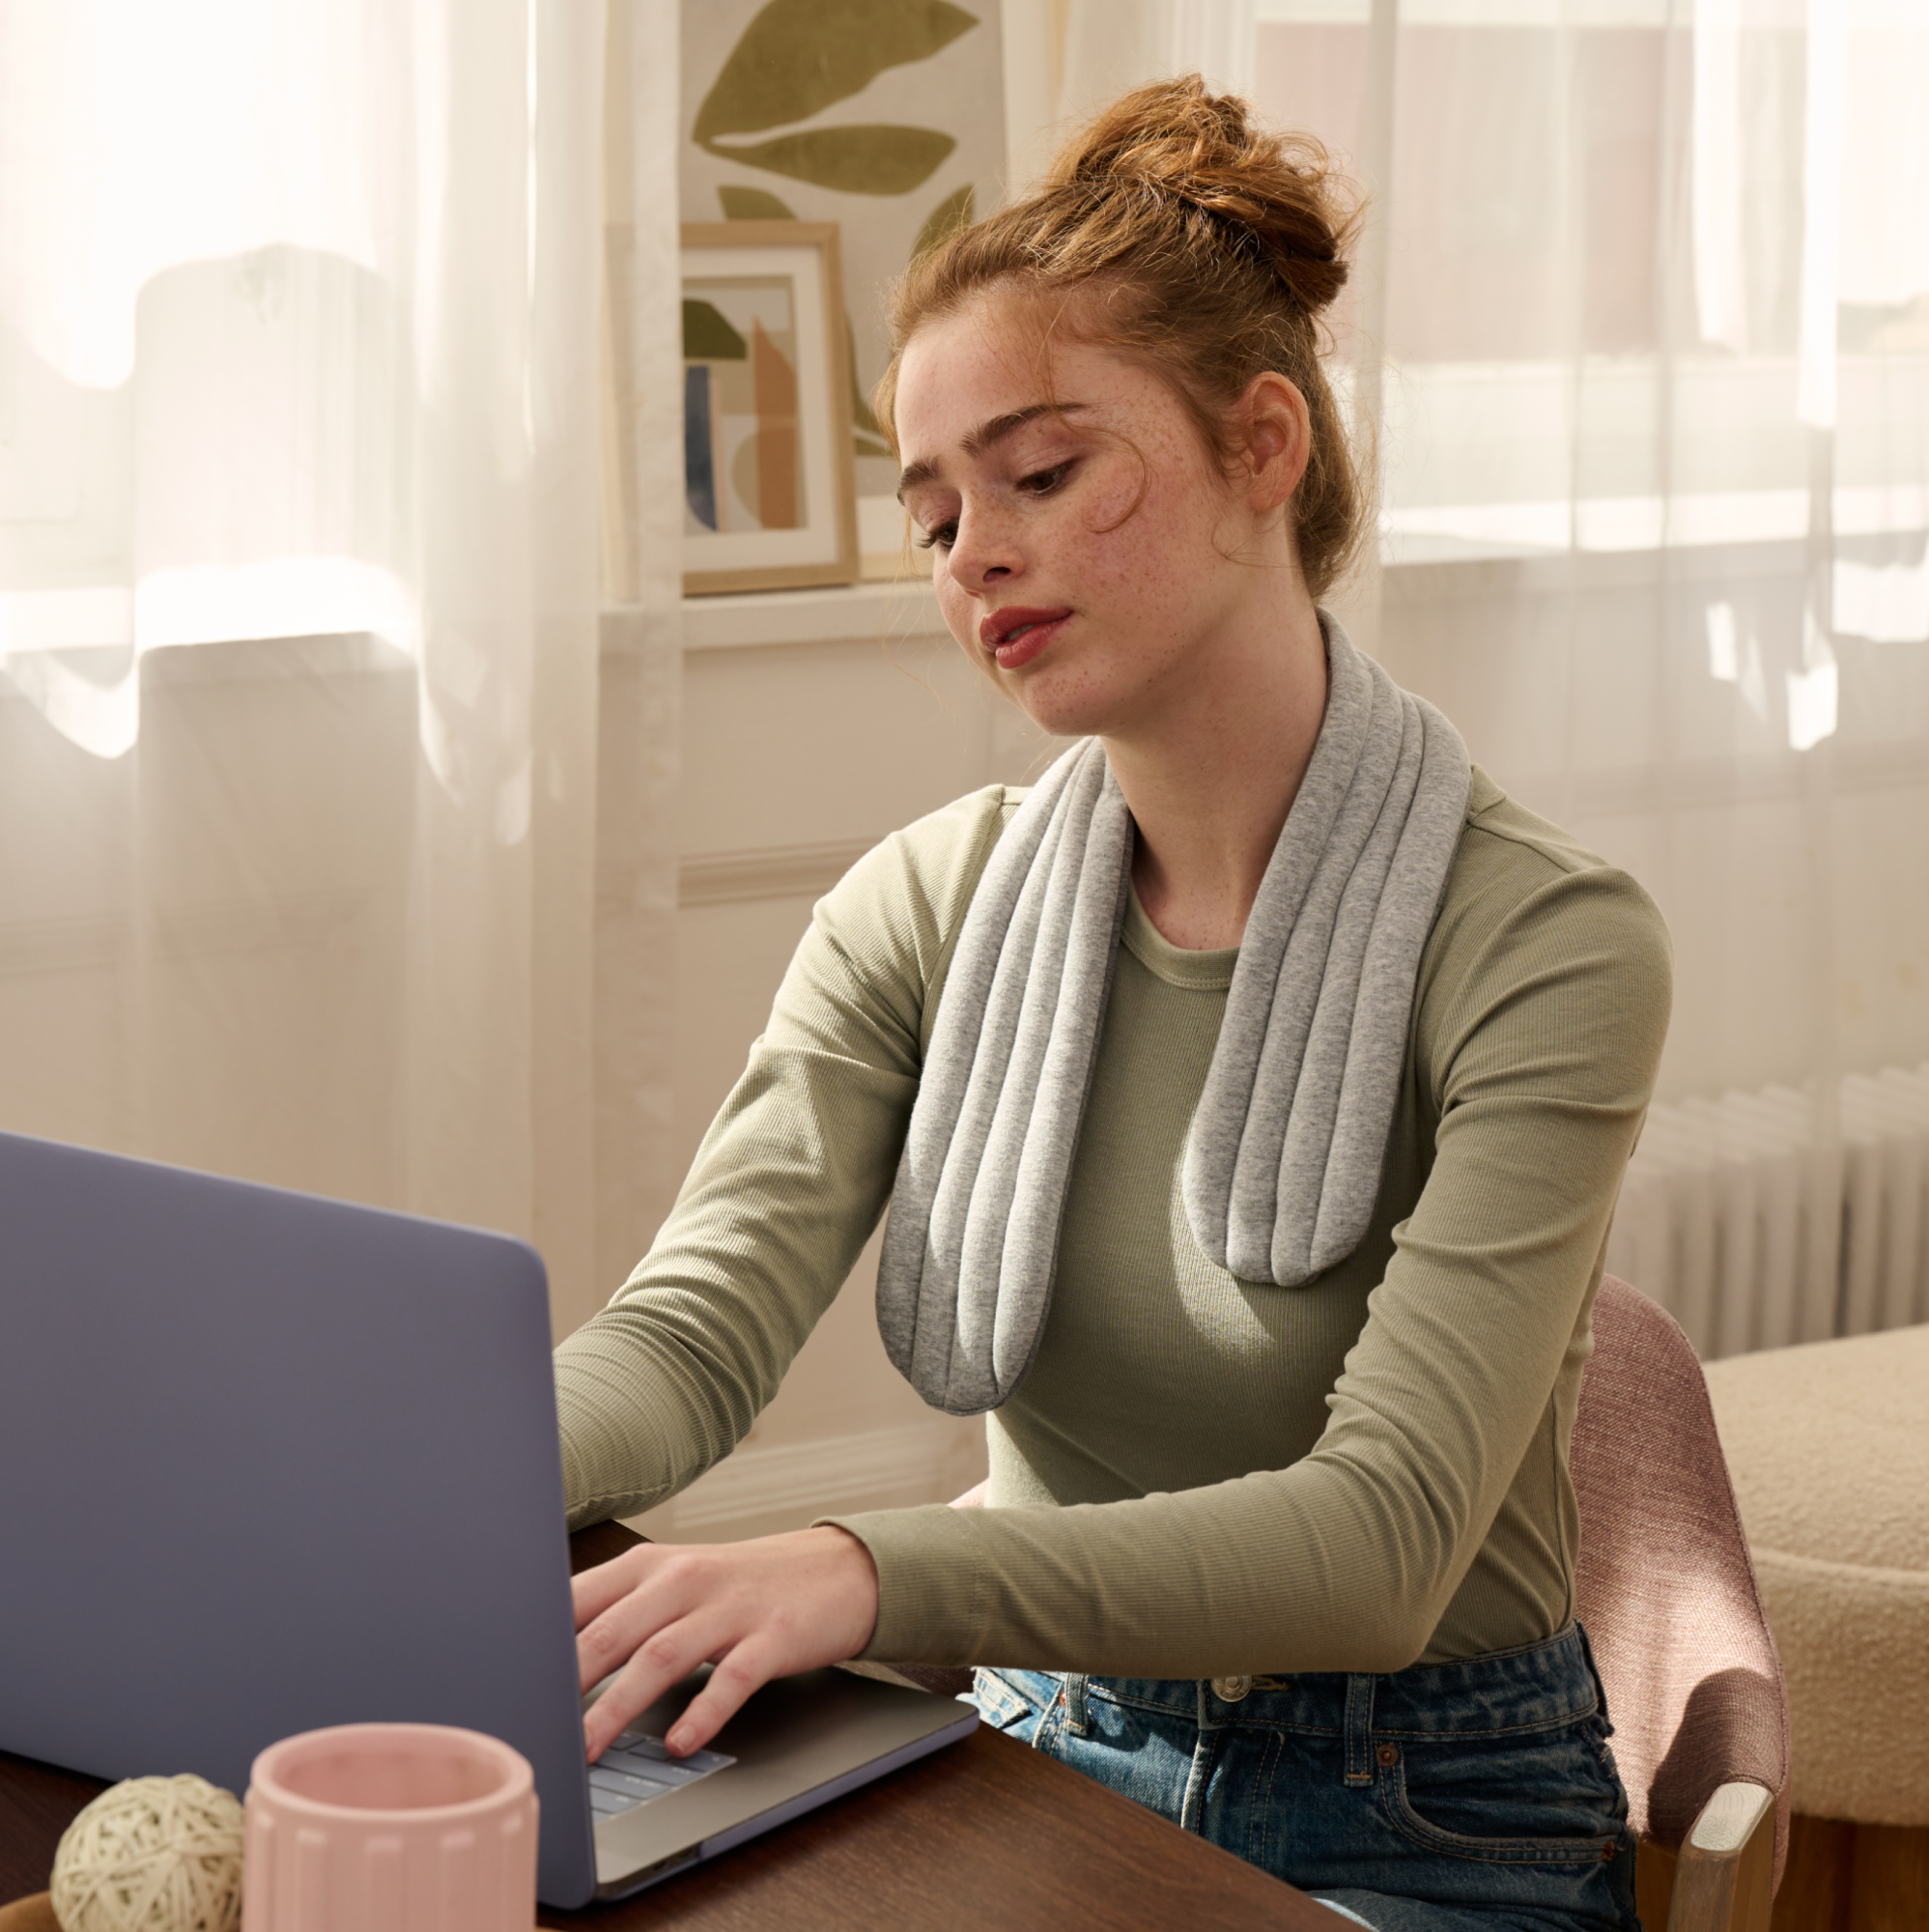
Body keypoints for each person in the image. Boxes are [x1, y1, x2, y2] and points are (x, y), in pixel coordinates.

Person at [557, 76, 1668, 1930]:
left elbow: (1387, 1540)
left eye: (1043, 474)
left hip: (1430, 1811)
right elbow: (687, 1342)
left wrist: (859, 1567)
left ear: (1262, 447)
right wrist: (431, 1463)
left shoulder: (1542, 939)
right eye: (932, 515)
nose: (974, 553)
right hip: (1035, 1747)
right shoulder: (921, 905)